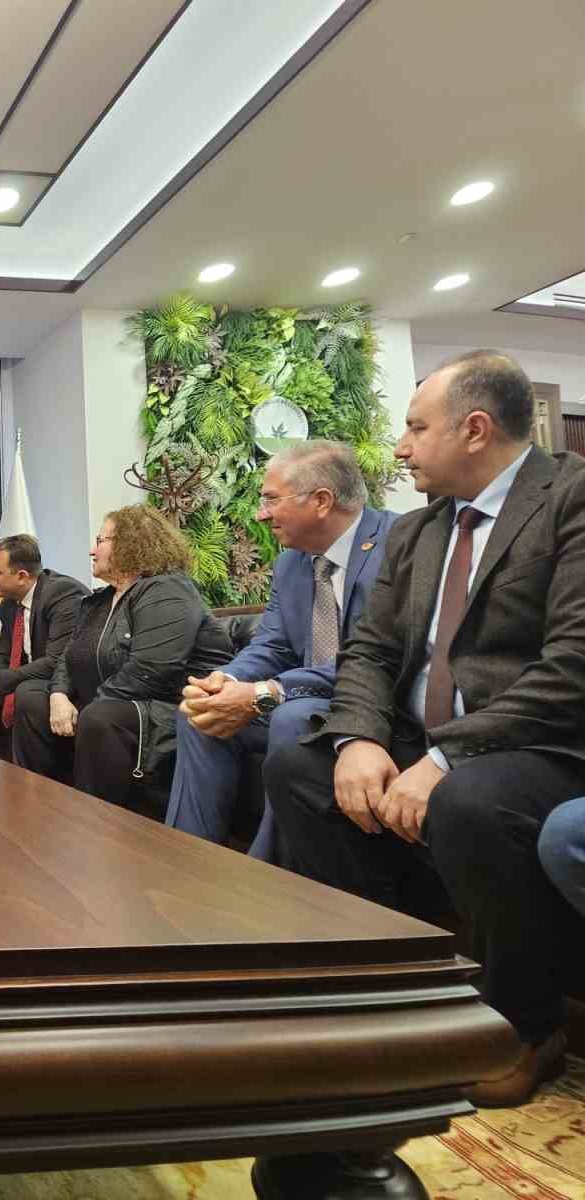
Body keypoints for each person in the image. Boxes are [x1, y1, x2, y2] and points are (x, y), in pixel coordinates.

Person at [264, 350, 585, 1109]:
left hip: (539, 742)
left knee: (469, 800)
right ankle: (394, 985)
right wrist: (358, 740)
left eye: (415, 428)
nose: (400, 448)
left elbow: (573, 662)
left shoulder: (571, 498)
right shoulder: (416, 531)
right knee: (300, 764)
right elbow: (370, 653)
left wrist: (442, 759)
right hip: (424, 736)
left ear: (474, 429)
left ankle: (526, 1026)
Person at [167, 442, 397, 860]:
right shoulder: (291, 563)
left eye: (271, 499)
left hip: (370, 703)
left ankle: (268, 873)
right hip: (301, 694)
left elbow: (373, 659)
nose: (261, 514)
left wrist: (266, 691)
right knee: (200, 713)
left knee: (293, 719)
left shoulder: (396, 546)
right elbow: (271, 644)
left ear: (322, 501)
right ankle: (189, 859)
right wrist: (228, 680)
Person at [14, 504, 231, 810]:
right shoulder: (99, 600)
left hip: (166, 705)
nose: (92, 550)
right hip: (112, 698)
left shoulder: (168, 590)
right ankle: (41, 805)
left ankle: (95, 820)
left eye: (100, 541)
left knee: (100, 716)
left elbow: (150, 671)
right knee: (31, 696)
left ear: (131, 544)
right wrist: (59, 695)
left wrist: (90, 705)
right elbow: (68, 656)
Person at [0, 534, 88, 754]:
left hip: (63, 683)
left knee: (16, 690)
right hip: (31, 677)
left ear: (22, 576)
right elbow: (6, 657)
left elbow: (55, 662)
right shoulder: (9, 603)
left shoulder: (62, 595)